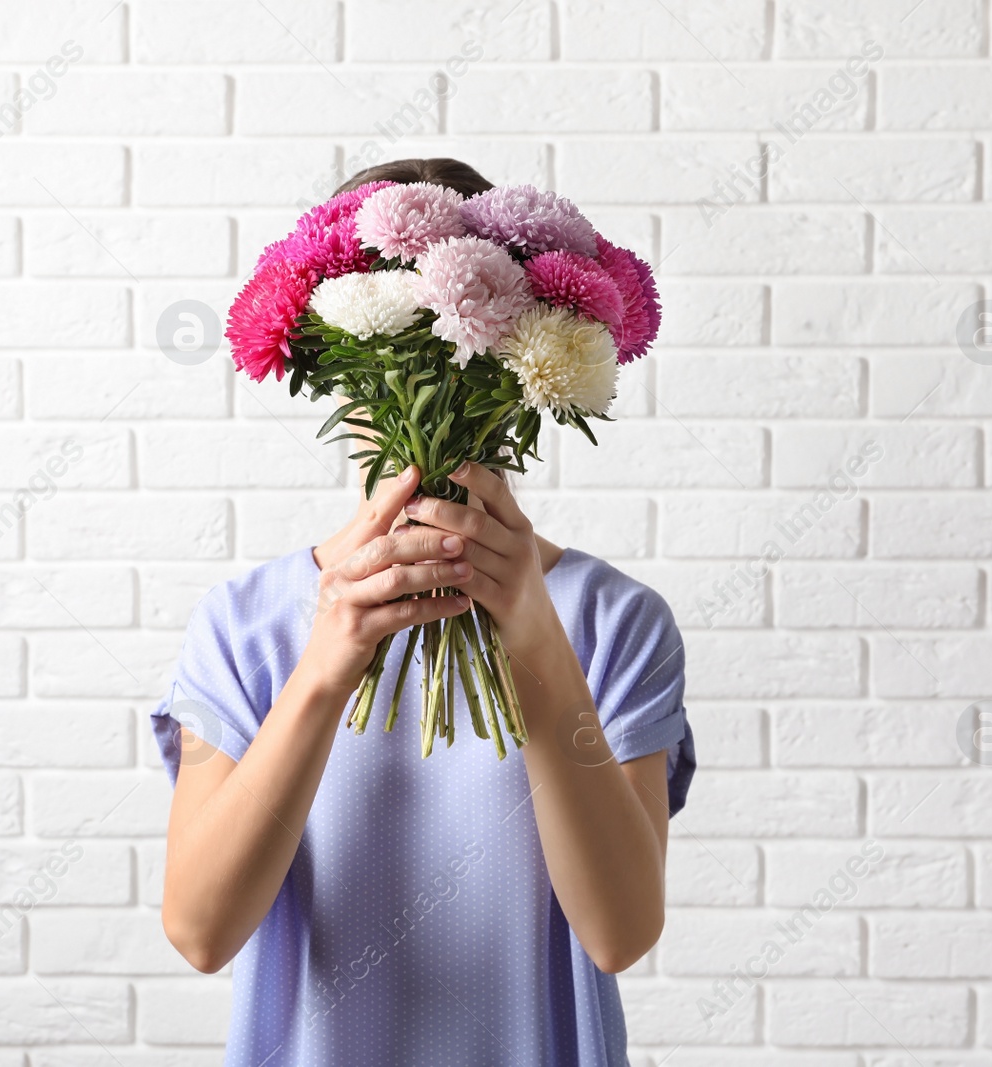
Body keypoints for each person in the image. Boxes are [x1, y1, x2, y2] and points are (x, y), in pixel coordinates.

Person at [149, 158, 696, 1067]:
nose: (416, 397)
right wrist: (327, 659)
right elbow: (201, 930)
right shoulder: (243, 626)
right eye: (386, 369)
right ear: (329, 362)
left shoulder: (612, 621)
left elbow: (620, 931)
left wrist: (531, 635)